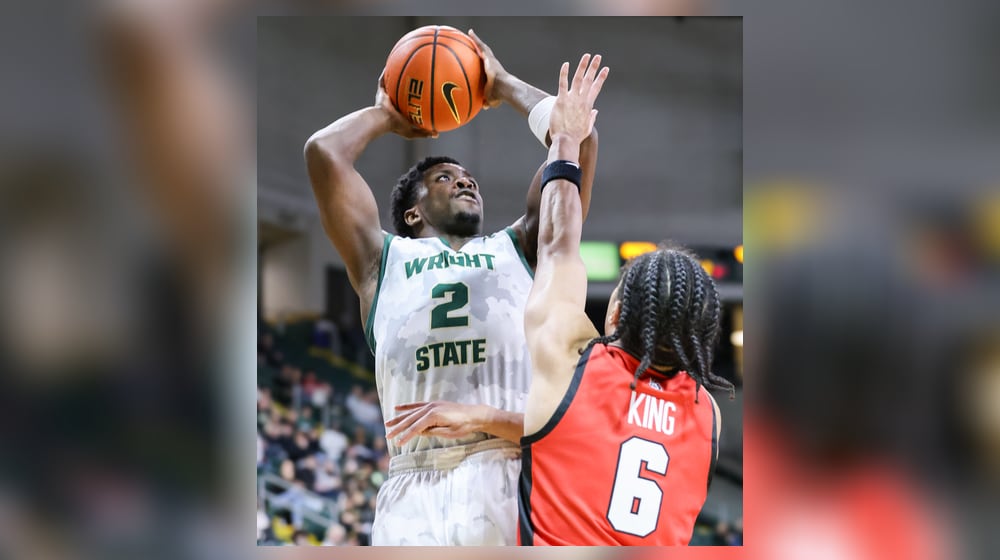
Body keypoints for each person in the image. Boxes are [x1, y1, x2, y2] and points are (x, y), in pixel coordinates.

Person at [303, 29, 600, 545]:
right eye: (445, 177)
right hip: (412, 482)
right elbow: (324, 153)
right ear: (412, 211)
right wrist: (387, 115)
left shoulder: (522, 246)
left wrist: (503, 85)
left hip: (509, 466)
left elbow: (576, 140)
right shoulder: (381, 259)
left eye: (469, 179)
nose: (465, 182)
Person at [514, 59, 735, 545]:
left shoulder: (567, 362)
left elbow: (555, 245)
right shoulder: (708, 416)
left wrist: (567, 141)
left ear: (614, 313)